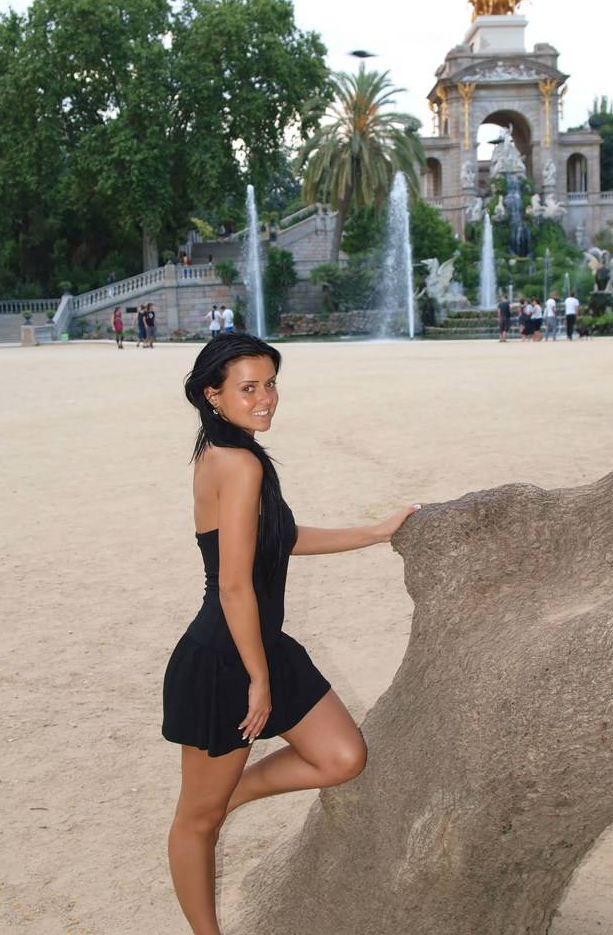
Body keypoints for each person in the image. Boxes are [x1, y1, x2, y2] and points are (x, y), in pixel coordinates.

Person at [163, 333, 421, 934]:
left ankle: (230, 791)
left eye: (271, 384)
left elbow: (279, 539)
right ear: (213, 396)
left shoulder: (231, 453)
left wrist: (375, 532)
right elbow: (233, 586)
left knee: (342, 757)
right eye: (248, 388)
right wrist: (258, 678)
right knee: (197, 823)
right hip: (224, 659)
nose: (265, 399)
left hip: (263, 645)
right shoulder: (238, 463)